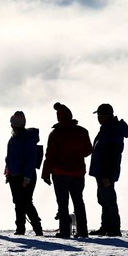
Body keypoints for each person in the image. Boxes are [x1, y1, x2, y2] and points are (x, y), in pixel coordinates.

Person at [41, 102, 92, 239]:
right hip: (78, 173)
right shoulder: (82, 131)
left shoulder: (55, 134)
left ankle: (65, 231)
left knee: (63, 204)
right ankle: (83, 230)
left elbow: (50, 156)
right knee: (79, 202)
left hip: (60, 174)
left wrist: (45, 174)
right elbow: (88, 151)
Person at [88, 103, 128, 237]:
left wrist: (106, 175)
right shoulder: (108, 128)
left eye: (100, 115)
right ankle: (106, 227)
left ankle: (113, 229)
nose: (98, 118)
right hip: (102, 172)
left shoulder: (112, 130)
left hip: (105, 173)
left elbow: (111, 155)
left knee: (109, 200)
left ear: (106, 115)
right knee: (104, 200)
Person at [4, 111, 44, 236]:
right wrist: (8, 171)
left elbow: (31, 158)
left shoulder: (26, 138)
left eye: (13, 124)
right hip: (14, 175)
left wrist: (27, 176)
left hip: (25, 176)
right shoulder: (14, 138)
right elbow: (10, 157)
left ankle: (37, 228)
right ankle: (20, 228)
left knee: (26, 202)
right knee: (18, 202)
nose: (11, 126)